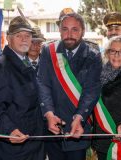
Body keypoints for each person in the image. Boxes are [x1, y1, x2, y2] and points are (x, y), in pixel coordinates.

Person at [37, 8, 102, 160]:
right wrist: (49, 113)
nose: (69, 34)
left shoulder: (93, 56)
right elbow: (43, 84)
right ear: (59, 30)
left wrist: (79, 118)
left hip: (78, 127)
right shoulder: (48, 51)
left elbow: (91, 90)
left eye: (75, 30)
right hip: (53, 126)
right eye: (65, 29)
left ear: (83, 31)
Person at [0, 16, 44, 160]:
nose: (24, 39)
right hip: (15, 148)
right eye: (18, 36)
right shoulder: (2, 66)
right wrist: (9, 130)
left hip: (31, 142)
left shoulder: (23, 61)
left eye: (28, 35)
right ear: (8, 38)